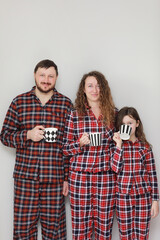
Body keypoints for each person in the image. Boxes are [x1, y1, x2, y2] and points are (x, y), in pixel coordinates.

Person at [0, 59, 73, 240]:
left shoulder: (65, 104)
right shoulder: (19, 102)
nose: (46, 80)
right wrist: (27, 135)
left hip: (54, 180)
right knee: (23, 233)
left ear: (56, 78)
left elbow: (69, 145)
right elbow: (4, 136)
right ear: (35, 75)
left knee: (55, 234)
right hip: (25, 178)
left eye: (50, 76)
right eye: (42, 75)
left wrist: (66, 178)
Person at [63, 71, 117, 240]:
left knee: (104, 229)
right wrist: (79, 144)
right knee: (80, 230)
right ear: (84, 90)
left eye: (99, 85)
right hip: (80, 178)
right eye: (90, 85)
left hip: (106, 178)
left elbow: (121, 147)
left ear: (104, 89)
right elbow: (65, 149)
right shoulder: (74, 114)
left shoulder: (114, 114)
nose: (95, 89)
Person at [111, 106, 159, 240]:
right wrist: (119, 145)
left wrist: (155, 200)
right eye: (123, 124)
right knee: (125, 235)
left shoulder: (145, 147)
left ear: (137, 124)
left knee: (142, 235)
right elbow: (115, 168)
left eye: (130, 123)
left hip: (143, 197)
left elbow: (152, 175)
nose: (127, 126)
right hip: (123, 197)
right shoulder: (117, 146)